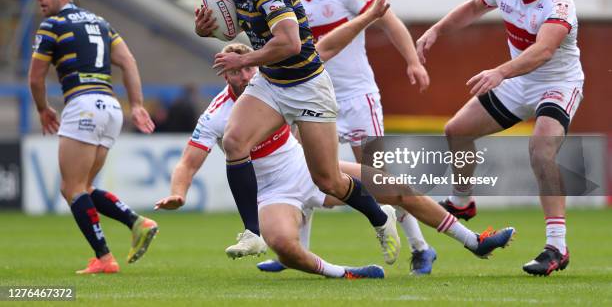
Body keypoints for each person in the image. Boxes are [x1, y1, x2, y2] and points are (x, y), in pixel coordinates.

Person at [155, 42, 515, 279]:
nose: (245, 76)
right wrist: (178, 193)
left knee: (395, 187)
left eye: (247, 68)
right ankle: (346, 273)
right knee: (283, 247)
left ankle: (474, 241)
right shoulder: (216, 114)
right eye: (236, 72)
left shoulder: (270, 82)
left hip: (306, 168)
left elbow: (315, 54)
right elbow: (188, 163)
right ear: (225, 74)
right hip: (273, 192)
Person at [194, 0, 400, 265]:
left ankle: (380, 218)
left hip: (307, 86)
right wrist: (206, 29)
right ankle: (253, 232)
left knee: (328, 179)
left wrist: (243, 59)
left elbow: (289, 43)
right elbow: (232, 30)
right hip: (272, 82)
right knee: (234, 141)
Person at [262, 0, 436, 275]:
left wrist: (413, 61)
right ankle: (295, 252)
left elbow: (389, 20)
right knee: (304, 173)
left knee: (381, 179)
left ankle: (421, 248)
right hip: (310, 98)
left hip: (357, 98)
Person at [416, 0, 583, 276]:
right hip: (518, 81)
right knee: (457, 130)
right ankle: (462, 202)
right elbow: (474, 7)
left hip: (557, 84)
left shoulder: (559, 4)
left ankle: (556, 246)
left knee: (541, 150)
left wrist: (499, 72)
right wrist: (437, 29)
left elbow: (543, 52)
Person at [29, 0, 158, 274]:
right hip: (110, 108)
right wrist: (136, 104)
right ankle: (136, 223)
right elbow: (128, 61)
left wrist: (43, 108)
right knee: (82, 187)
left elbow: (35, 78)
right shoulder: (101, 23)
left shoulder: (52, 25)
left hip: (83, 104)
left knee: (72, 188)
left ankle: (105, 257)